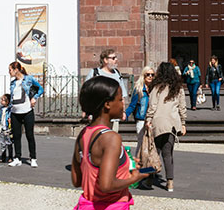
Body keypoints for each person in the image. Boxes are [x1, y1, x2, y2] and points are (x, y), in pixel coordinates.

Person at [71, 76, 147, 209]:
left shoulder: (83, 134)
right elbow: (106, 185)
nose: (123, 103)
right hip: (112, 205)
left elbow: (77, 180)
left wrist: (124, 164)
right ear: (107, 104)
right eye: (120, 99)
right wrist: (134, 178)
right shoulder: (111, 138)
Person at [145, 61, 187, 192]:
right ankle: (170, 183)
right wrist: (183, 123)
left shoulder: (157, 87)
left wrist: (148, 119)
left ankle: (149, 180)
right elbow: (182, 107)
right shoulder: (178, 88)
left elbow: (152, 106)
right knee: (168, 154)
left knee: (154, 153)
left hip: (157, 123)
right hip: (172, 124)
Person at [7, 61, 42, 167]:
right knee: (16, 136)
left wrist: (34, 98)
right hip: (15, 112)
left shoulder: (28, 79)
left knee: (29, 135)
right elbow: (12, 99)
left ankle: (33, 158)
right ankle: (17, 157)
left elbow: (40, 89)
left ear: (16, 69)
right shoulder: (13, 83)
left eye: (10, 70)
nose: (9, 72)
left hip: (27, 111)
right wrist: (8, 114)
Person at [89, 49, 127, 133]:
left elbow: (122, 95)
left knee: (112, 138)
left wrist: (123, 111)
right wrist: (88, 111)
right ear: (105, 60)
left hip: (114, 115)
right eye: (113, 58)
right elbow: (88, 93)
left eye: (116, 58)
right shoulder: (95, 73)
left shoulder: (117, 74)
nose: (116, 60)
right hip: (99, 115)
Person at [126, 66, 154, 162]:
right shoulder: (138, 89)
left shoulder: (154, 89)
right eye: (148, 74)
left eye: (152, 75)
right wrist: (125, 114)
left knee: (151, 144)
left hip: (153, 120)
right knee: (141, 143)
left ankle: (149, 166)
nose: (150, 76)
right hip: (141, 120)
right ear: (143, 75)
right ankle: (137, 163)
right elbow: (132, 105)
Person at [0, 93, 14, 163]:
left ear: (8, 101)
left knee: (9, 142)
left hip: (8, 128)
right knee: (2, 143)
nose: (1, 101)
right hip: (2, 128)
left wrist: (10, 121)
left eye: (3, 100)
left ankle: (10, 157)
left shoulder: (10, 109)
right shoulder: (2, 109)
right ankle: (3, 157)